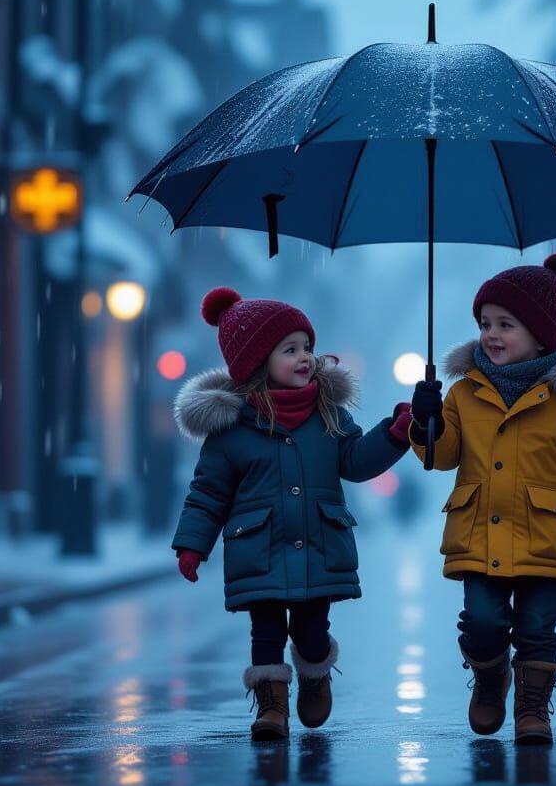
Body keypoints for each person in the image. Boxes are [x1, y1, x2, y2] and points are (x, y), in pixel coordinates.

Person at [172, 287, 412, 741]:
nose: (305, 358)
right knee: (265, 633)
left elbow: (357, 461)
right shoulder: (231, 431)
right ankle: (271, 708)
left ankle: (316, 673)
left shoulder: (329, 416)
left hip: (319, 546)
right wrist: (192, 544)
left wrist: (396, 433)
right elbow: (208, 493)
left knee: (311, 630)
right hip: (257, 549)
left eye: (307, 348)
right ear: (258, 362)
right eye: (290, 350)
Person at [408, 253, 556, 744]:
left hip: (547, 538)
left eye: (505, 324)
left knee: (538, 629)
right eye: (485, 323)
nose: (491, 334)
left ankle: (533, 709)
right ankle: (490, 677)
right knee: (482, 623)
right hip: (479, 534)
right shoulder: (464, 394)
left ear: (541, 334)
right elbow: (439, 456)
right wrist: (426, 421)